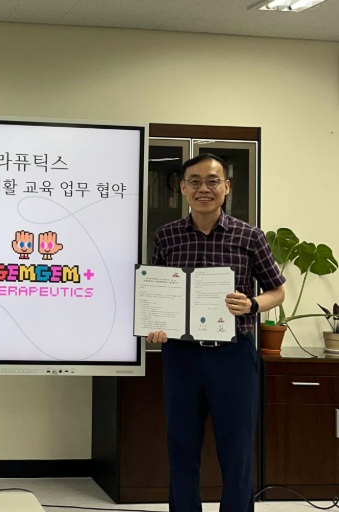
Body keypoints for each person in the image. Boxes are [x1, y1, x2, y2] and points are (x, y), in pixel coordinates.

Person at [146, 153, 285, 512]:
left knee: (237, 449)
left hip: (233, 355)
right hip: (181, 355)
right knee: (181, 447)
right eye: (194, 181)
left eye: (212, 181)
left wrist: (252, 304)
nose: (203, 189)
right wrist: (155, 324)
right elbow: (158, 291)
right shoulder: (167, 236)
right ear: (182, 188)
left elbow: (277, 291)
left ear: (226, 187)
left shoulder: (250, 236)